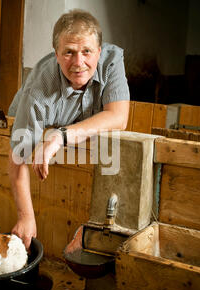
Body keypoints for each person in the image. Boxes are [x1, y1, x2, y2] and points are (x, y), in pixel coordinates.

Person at [8, 9, 130, 249]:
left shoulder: (112, 60)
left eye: (86, 51)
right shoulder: (37, 91)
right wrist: (26, 217)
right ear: (56, 54)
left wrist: (59, 136)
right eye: (69, 53)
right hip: (28, 120)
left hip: (69, 129)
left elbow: (118, 116)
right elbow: (18, 156)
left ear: (99, 50)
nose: (78, 63)